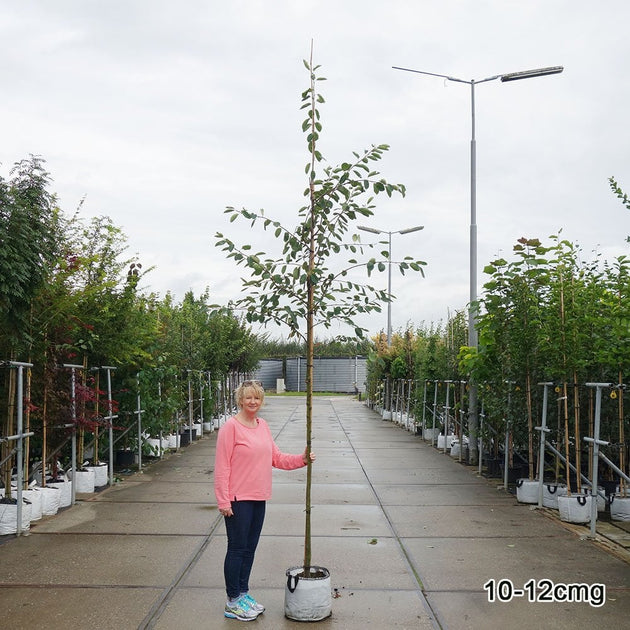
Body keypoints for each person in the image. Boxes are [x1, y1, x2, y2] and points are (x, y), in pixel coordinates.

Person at [214, 379, 315, 622]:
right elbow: (222, 466)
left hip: (259, 497)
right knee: (237, 549)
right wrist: (223, 500)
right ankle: (232, 601)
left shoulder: (262, 426)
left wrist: (301, 459)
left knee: (249, 549)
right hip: (238, 499)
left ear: (262, 401)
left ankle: (243, 593)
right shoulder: (231, 427)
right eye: (248, 397)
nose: (252, 402)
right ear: (240, 399)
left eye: (257, 398)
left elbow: (276, 457)